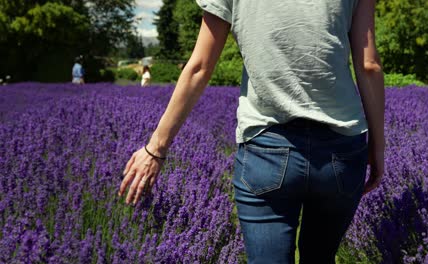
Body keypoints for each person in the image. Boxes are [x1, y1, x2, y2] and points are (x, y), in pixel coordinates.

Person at [119, 0, 385, 263]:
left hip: (267, 148)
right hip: (341, 151)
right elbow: (369, 65)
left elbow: (200, 67)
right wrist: (378, 146)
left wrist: (156, 149)